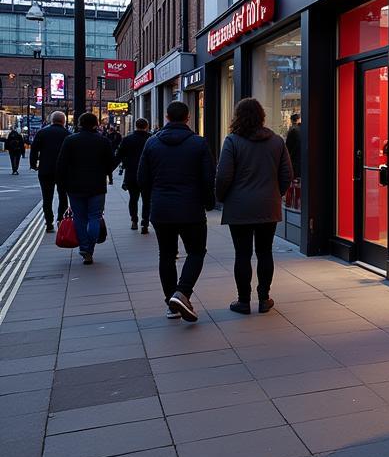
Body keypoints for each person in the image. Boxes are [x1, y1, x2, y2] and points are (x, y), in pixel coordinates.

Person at [138, 101, 216, 321]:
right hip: (191, 208)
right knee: (196, 252)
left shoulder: (152, 143)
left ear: (166, 117)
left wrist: (153, 200)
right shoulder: (198, 144)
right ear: (188, 118)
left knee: (167, 255)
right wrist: (209, 203)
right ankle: (182, 292)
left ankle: (172, 304)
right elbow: (208, 178)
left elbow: (142, 179)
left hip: (161, 209)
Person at [216, 98, 292, 314]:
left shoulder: (232, 141)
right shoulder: (277, 141)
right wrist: (276, 194)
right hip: (268, 205)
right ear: (262, 116)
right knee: (265, 252)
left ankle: (243, 301)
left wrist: (222, 198)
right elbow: (287, 174)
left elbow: (223, 176)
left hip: (239, 206)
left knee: (242, 254)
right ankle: (264, 298)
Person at [55, 112, 114, 265]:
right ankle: (90, 249)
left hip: (74, 186)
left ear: (80, 123)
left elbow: (61, 164)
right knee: (95, 216)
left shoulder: (70, 140)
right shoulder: (103, 141)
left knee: (79, 218)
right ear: (96, 124)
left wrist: (62, 183)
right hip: (97, 186)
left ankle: (84, 248)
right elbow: (111, 164)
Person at [29, 111, 69, 232]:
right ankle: (61, 221)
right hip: (63, 171)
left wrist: (33, 164)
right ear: (64, 121)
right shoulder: (68, 134)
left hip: (45, 169)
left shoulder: (42, 133)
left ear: (51, 120)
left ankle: (49, 222)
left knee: (47, 198)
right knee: (63, 197)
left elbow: (34, 150)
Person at [115, 118, 152, 232]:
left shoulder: (127, 139)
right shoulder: (151, 139)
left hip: (132, 173)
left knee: (133, 198)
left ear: (135, 126)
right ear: (147, 126)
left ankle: (134, 220)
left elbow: (119, 155)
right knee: (147, 200)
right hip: (147, 174)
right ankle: (145, 223)